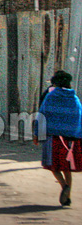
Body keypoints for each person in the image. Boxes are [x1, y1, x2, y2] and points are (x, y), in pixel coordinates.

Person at [34, 70, 82, 207]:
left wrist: (37, 134)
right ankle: (68, 197)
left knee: (53, 166)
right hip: (71, 139)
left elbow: (42, 115)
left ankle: (64, 187)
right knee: (66, 168)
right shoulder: (75, 98)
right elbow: (79, 116)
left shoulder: (51, 96)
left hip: (54, 138)